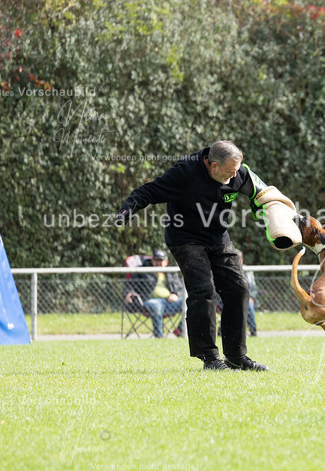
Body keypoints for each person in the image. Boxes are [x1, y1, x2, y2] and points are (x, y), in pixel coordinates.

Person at [115, 140, 268, 371]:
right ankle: (209, 357)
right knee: (203, 290)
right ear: (213, 166)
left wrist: (278, 217)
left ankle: (236, 356)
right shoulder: (184, 172)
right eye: (229, 172)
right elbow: (148, 191)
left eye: (237, 171)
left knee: (238, 288)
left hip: (218, 237)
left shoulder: (239, 173)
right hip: (186, 238)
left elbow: (263, 195)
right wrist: (128, 208)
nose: (234, 177)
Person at [123, 250, 185, 338]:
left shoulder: (171, 271)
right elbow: (130, 285)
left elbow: (180, 288)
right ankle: (159, 336)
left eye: (161, 261)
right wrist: (127, 293)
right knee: (155, 305)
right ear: (152, 260)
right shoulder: (142, 270)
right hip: (149, 303)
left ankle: (180, 330)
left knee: (191, 302)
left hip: (171, 303)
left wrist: (175, 294)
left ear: (166, 262)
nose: (158, 263)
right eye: (156, 260)